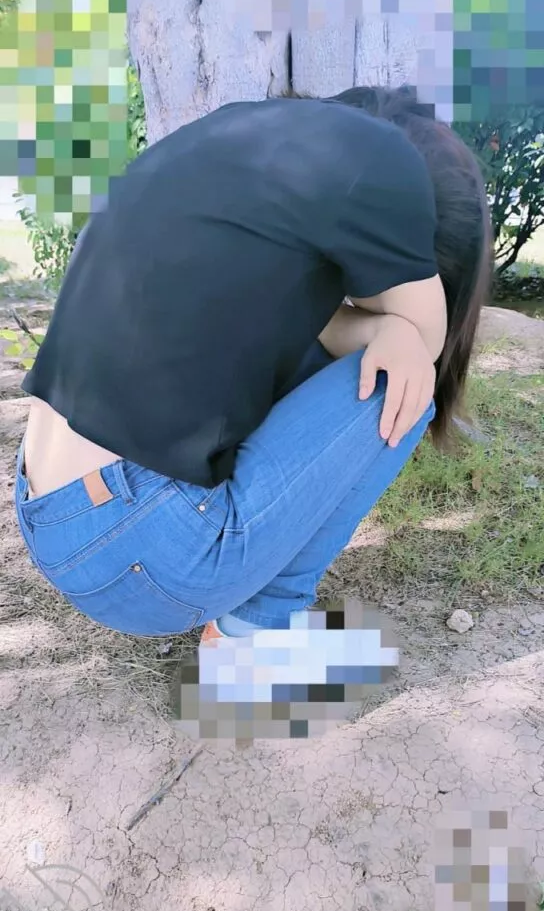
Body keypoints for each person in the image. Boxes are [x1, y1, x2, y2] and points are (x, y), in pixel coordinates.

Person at [14, 85, 493, 659]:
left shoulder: (242, 134)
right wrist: (391, 325)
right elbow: (425, 342)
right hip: (143, 557)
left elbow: (320, 322)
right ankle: (253, 635)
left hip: (45, 514)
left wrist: (371, 325)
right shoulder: (388, 164)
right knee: (404, 380)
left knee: (367, 344)